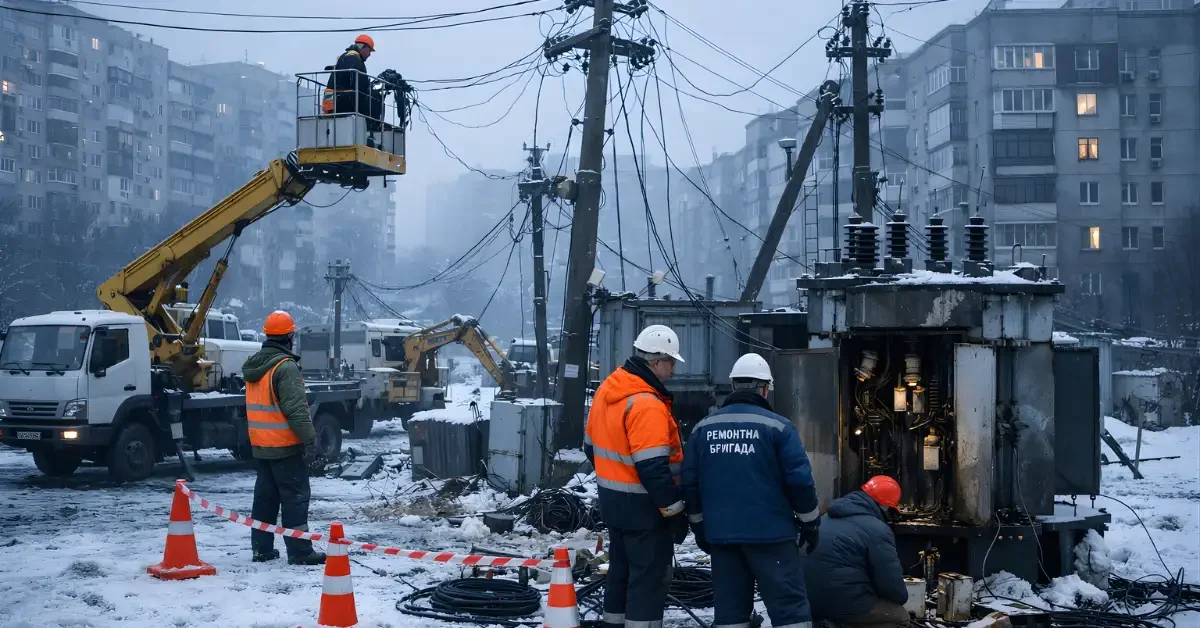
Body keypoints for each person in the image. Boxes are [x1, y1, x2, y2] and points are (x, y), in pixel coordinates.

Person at [682, 353, 821, 628]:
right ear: (765, 389)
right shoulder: (779, 427)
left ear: (733, 386)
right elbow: (800, 481)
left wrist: (698, 526)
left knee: (730, 614)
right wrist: (810, 523)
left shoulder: (703, 429)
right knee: (790, 611)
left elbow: (689, 483)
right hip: (772, 538)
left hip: (722, 538)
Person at [584, 324, 688, 628]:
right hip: (645, 510)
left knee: (620, 573)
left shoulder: (609, 389)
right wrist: (674, 511)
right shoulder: (647, 403)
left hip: (613, 505)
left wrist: (616, 478)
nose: (672, 372)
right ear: (656, 362)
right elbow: (654, 469)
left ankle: (613, 624)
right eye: (670, 363)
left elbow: (590, 448)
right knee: (648, 580)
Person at [242, 310, 326, 566]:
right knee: (296, 498)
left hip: (262, 446)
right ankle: (300, 552)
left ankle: (262, 549)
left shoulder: (257, 365)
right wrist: (312, 442)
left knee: (265, 500)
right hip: (286, 447)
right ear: (290, 337)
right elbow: (297, 412)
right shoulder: (285, 367)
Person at [803, 476, 909, 628]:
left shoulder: (824, 518)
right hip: (843, 604)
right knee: (899, 616)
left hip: (808, 601)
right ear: (886, 508)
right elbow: (895, 591)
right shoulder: (877, 529)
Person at [322, 34, 379, 121]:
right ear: (363, 47)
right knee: (373, 100)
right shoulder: (355, 60)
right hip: (342, 102)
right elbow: (361, 86)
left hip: (331, 101)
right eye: (369, 51)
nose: (369, 54)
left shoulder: (344, 56)